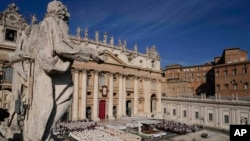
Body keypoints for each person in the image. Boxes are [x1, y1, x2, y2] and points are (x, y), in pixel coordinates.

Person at [9, 0, 104, 140]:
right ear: (61, 12)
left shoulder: (36, 28)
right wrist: (90, 53)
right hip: (46, 72)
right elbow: (62, 47)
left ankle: (37, 136)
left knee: (37, 110)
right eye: (65, 12)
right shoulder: (56, 22)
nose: (67, 15)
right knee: (57, 102)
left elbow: (24, 51)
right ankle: (42, 137)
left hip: (35, 72)